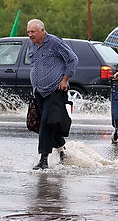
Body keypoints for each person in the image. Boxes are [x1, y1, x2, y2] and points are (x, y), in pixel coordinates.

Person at [27, 19, 79, 170]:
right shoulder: (32, 44)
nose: (30, 35)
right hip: (39, 91)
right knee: (43, 123)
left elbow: (73, 59)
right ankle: (62, 148)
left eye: (33, 32)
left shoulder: (55, 43)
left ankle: (43, 159)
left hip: (54, 90)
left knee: (45, 124)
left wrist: (65, 80)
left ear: (42, 31)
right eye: (29, 32)